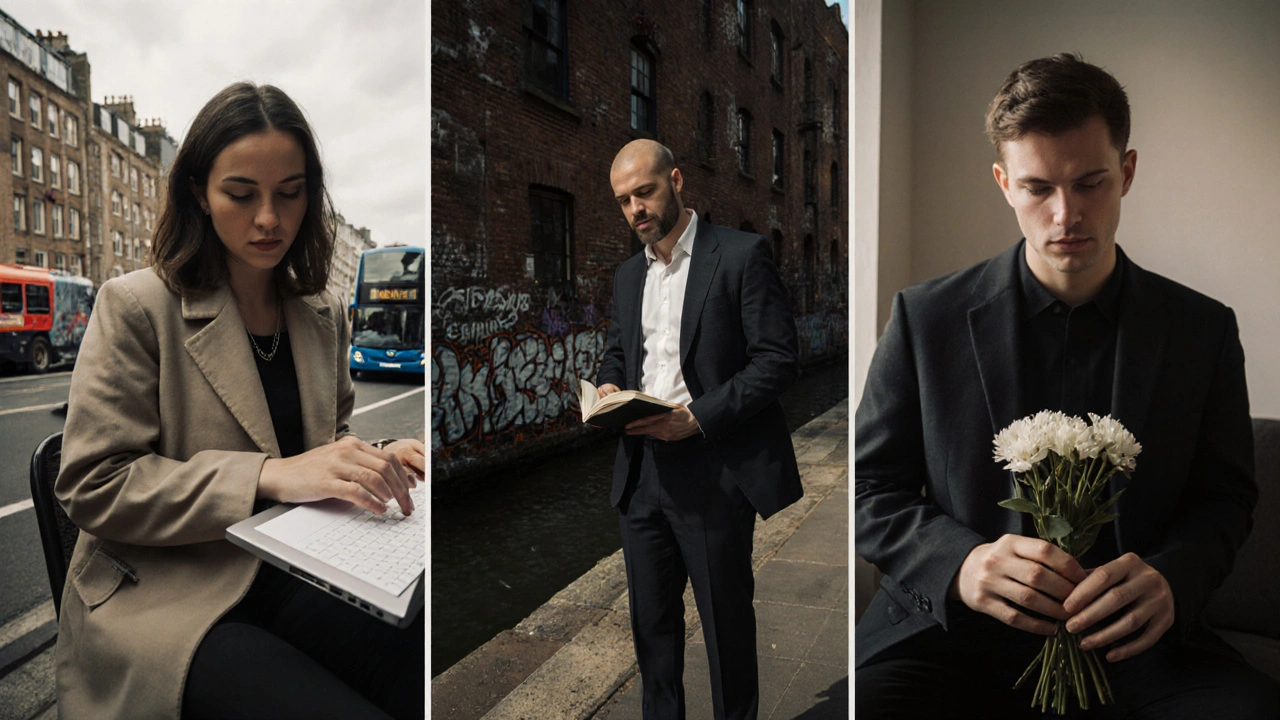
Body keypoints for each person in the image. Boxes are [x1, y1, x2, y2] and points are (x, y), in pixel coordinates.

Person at [854, 53, 1280, 718]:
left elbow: (1226, 498)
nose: (1065, 216)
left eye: (1090, 183)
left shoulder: (1205, 330)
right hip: (948, 640)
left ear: (1127, 172)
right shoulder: (922, 318)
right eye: (1037, 189)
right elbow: (868, 487)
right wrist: (961, 564)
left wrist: (1172, 578)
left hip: (1139, 650)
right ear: (1002, 183)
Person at [54, 83, 426, 720]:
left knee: (418, 661)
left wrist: (376, 458)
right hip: (165, 594)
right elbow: (93, 483)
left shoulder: (322, 315)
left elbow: (320, 453)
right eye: (241, 193)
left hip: (296, 571)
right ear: (199, 191)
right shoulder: (136, 305)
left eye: (290, 192)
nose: (269, 220)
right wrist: (267, 475)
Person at [596, 139, 802, 720]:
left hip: (712, 474)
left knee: (726, 627)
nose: (635, 208)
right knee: (652, 629)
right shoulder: (626, 277)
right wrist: (610, 386)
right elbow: (619, 353)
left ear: (677, 181)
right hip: (640, 478)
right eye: (623, 200)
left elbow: (779, 359)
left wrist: (699, 417)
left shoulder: (740, 255)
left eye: (645, 191)